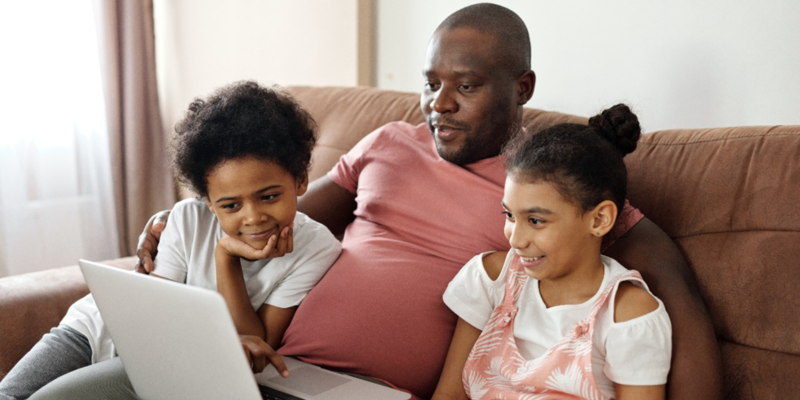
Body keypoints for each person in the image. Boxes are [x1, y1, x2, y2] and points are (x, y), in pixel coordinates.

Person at [135, 4, 722, 400]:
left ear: (522, 88)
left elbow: (675, 291)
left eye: (465, 86)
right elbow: (274, 217)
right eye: (430, 82)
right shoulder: (388, 141)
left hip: (379, 391)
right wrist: (189, 221)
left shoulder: (546, 185)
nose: (438, 103)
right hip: (286, 370)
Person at [0, 81, 341, 400]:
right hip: (95, 329)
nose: (252, 217)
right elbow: (154, 317)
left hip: (162, 362)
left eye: (268, 196)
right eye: (231, 205)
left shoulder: (315, 248)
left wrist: (226, 257)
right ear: (208, 202)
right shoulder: (188, 218)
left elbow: (255, 345)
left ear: (299, 180)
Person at [433, 104, 672, 400]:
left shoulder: (627, 316)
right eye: (509, 215)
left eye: (536, 220)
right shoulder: (490, 279)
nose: (516, 240)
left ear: (599, 220)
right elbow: (449, 395)